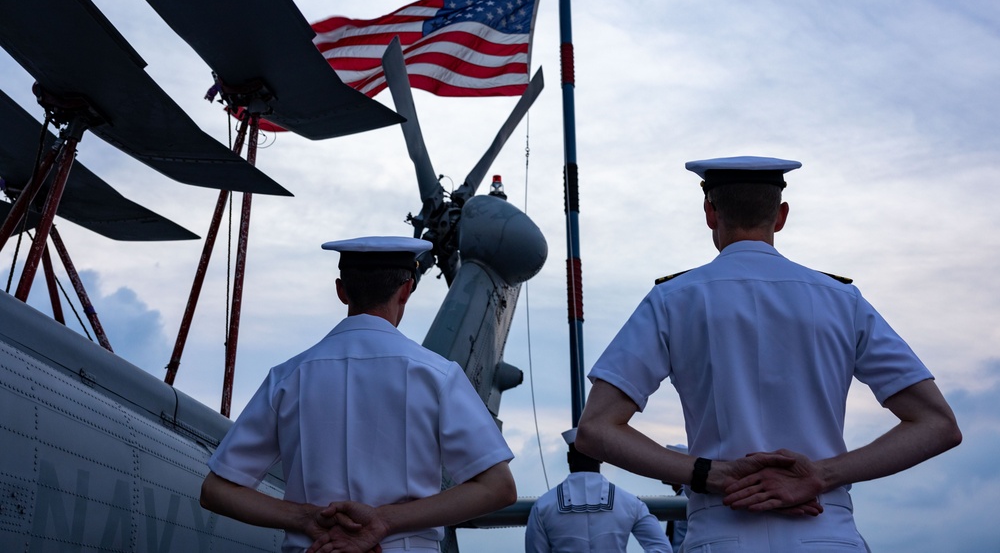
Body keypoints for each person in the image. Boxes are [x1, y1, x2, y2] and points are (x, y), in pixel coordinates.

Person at [575, 156, 962, 551]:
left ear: (710, 213)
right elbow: (937, 425)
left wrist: (712, 474)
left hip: (720, 531)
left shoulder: (674, 299)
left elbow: (595, 430)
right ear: (780, 216)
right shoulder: (842, 299)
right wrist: (820, 475)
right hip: (827, 530)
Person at [200, 236, 517, 553]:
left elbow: (216, 489)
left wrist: (305, 518)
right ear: (406, 290)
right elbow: (498, 488)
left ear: (341, 290)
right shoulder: (437, 375)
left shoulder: (287, 377)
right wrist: (384, 521)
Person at [524, 429, 672, 552]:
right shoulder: (630, 503)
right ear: (601, 458)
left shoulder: (543, 506)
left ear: (569, 458)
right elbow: (662, 548)